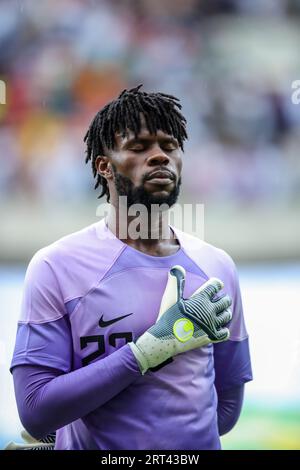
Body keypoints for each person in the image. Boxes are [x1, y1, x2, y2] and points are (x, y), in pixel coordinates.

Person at [10, 85, 252, 450]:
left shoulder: (216, 265)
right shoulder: (56, 267)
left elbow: (226, 410)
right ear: (104, 166)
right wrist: (147, 351)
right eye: (139, 148)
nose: (160, 157)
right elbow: (34, 411)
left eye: (169, 146)